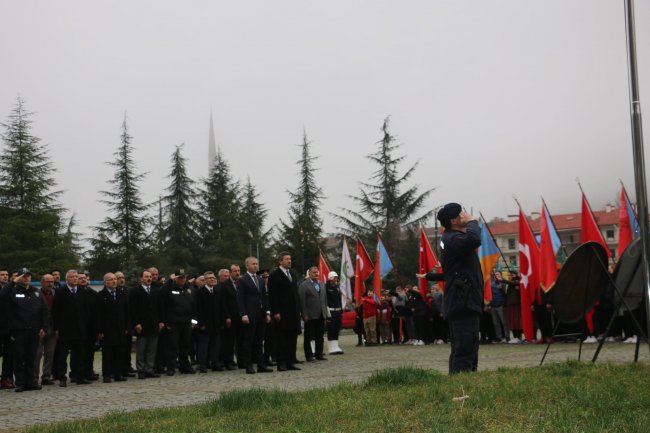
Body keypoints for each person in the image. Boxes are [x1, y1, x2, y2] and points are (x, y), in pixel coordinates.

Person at [436, 203, 483, 374]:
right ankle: (460, 387)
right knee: (464, 349)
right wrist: (472, 222)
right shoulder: (452, 238)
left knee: (469, 347)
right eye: (461, 213)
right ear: (454, 220)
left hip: (466, 301)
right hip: (462, 302)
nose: (465, 214)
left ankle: (468, 384)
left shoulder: (453, 238)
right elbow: (474, 239)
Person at [0, 269, 48, 392]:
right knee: (18, 358)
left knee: (31, 357)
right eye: (23, 276)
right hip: (18, 330)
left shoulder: (35, 292)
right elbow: (2, 296)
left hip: (34, 330)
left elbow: (44, 311)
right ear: (18, 278)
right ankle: (20, 383)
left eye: (28, 276)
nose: (26, 278)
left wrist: (44, 327)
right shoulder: (12, 291)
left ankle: (31, 382)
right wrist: (12, 282)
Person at [52, 269, 90, 386]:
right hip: (65, 329)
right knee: (63, 355)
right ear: (67, 279)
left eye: (76, 277)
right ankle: (62, 377)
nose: (75, 279)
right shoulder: (60, 292)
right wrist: (56, 327)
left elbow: (85, 309)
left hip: (79, 328)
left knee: (79, 354)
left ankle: (79, 376)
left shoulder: (82, 291)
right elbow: (56, 311)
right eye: (72, 277)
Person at [237, 257, 272, 374]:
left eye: (257, 264)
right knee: (248, 341)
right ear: (247, 266)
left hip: (260, 314)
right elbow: (240, 298)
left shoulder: (260, 279)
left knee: (259, 341)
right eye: (253, 264)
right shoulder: (243, 280)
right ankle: (249, 365)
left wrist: (267, 312)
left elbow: (264, 297)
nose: (255, 266)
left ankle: (261, 365)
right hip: (249, 315)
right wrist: (243, 314)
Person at [267, 252, 301, 371]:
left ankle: (290, 361)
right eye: (287, 259)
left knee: (292, 338)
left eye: (290, 259)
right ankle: (281, 363)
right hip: (281, 312)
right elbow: (273, 295)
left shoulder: (292, 273)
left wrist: (299, 310)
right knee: (281, 339)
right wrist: (276, 311)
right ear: (280, 261)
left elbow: (295, 293)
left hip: (293, 312)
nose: (289, 261)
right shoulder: (274, 275)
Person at [160, 270, 196, 375]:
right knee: (173, 346)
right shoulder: (170, 288)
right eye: (180, 277)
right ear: (175, 278)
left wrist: (194, 321)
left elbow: (194, 306)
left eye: (184, 277)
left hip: (186, 323)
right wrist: (169, 281)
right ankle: (171, 367)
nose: (182, 279)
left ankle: (185, 366)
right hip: (174, 323)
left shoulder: (189, 289)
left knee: (185, 346)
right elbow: (162, 293)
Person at [96, 273, 130, 383]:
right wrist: (99, 330)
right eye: (111, 280)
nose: (114, 281)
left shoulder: (121, 294)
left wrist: (126, 327)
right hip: (107, 330)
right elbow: (98, 314)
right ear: (105, 282)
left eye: (115, 279)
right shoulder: (101, 295)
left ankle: (118, 374)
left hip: (120, 328)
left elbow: (126, 312)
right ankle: (107, 374)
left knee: (119, 353)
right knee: (107, 354)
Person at [129, 270, 163, 379]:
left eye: (150, 276)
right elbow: (132, 309)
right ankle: (141, 370)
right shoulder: (135, 291)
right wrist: (136, 323)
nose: (149, 278)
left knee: (152, 350)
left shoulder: (156, 290)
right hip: (141, 326)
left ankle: (149, 369)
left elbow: (160, 307)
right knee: (141, 350)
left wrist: (161, 321)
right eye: (146, 276)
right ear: (141, 278)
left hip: (154, 324)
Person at [298, 266, 330, 361]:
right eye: (314, 272)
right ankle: (309, 355)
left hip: (321, 314)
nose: (316, 274)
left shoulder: (322, 284)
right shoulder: (304, 285)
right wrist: (304, 314)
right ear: (309, 274)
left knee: (320, 336)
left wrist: (325, 314)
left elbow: (324, 300)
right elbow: (302, 301)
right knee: (309, 336)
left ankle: (319, 354)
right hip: (310, 315)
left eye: (317, 272)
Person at [34, 274, 57, 385]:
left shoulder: (55, 293)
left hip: (52, 328)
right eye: (48, 281)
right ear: (41, 282)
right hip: (40, 329)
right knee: (37, 354)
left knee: (49, 354)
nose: (50, 283)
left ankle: (46, 376)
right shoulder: (36, 294)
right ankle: (34, 377)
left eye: (52, 281)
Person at [324, 271, 344, 355]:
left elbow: (339, 299)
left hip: (338, 311)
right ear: (331, 278)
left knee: (336, 329)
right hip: (330, 311)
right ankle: (331, 347)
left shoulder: (337, 287)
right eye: (335, 277)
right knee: (331, 329)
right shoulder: (326, 287)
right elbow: (324, 300)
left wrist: (341, 310)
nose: (336, 279)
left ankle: (336, 346)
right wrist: (326, 313)